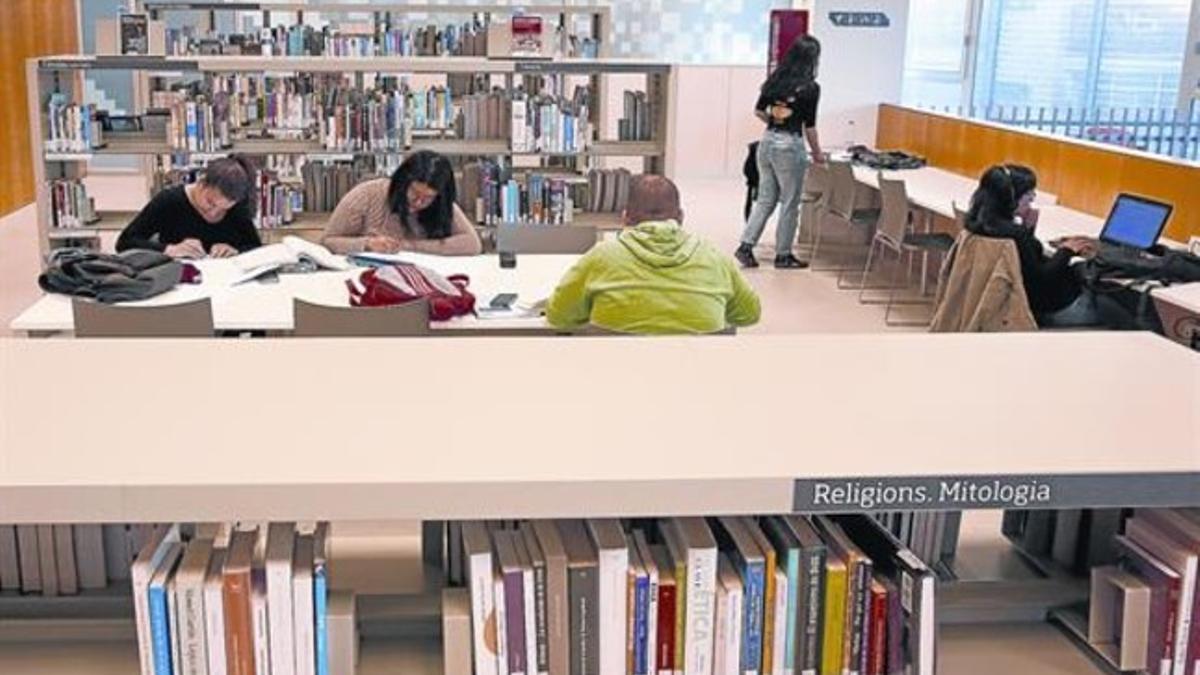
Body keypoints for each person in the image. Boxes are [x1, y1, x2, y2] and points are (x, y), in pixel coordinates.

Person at [546, 175, 761, 335]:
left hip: (614, 385)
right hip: (696, 387)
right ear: (680, 217)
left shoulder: (601, 258)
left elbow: (558, 316)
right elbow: (749, 314)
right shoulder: (715, 258)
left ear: (625, 218)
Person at [963, 164, 1105, 327]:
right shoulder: (1016, 235)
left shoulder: (975, 224)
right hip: (1042, 309)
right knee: (1115, 306)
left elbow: (1021, 264)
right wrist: (1066, 250)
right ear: (1011, 198)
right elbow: (1042, 278)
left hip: (1001, 302)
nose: (1032, 198)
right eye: (1028, 194)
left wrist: (1028, 229)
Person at [736, 36, 826, 270]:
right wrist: (817, 154)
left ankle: (746, 246)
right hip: (789, 146)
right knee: (790, 201)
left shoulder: (775, 80)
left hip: (766, 142)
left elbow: (758, 111)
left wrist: (775, 121)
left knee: (766, 198)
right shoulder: (810, 87)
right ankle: (783, 255)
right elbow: (810, 127)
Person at [321, 150, 482, 256]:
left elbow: (472, 244)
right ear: (402, 183)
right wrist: (367, 244)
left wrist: (409, 246)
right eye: (414, 193)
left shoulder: (441, 205)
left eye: (428, 198)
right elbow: (327, 242)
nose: (419, 202)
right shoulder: (366, 196)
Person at [117, 155, 261, 258]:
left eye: (224, 209)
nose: (214, 212)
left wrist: (235, 250)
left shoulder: (238, 207)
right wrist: (169, 249)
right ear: (201, 182)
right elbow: (125, 242)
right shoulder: (169, 201)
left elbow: (255, 248)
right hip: (177, 282)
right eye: (210, 202)